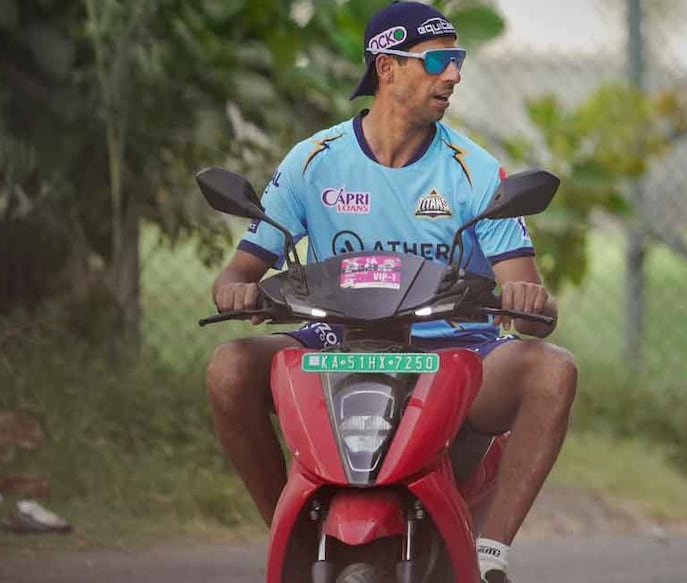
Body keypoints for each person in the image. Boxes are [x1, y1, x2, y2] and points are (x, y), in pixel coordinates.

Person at [204, 3, 577, 582]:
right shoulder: (313, 163)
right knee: (229, 367)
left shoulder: (475, 171)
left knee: (553, 371)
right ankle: (293, 530)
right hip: (332, 348)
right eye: (437, 61)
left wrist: (531, 306)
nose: (453, 75)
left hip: (454, 356)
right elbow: (238, 272)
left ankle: (490, 556)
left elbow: (522, 288)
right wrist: (237, 292)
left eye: (457, 61)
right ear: (388, 67)